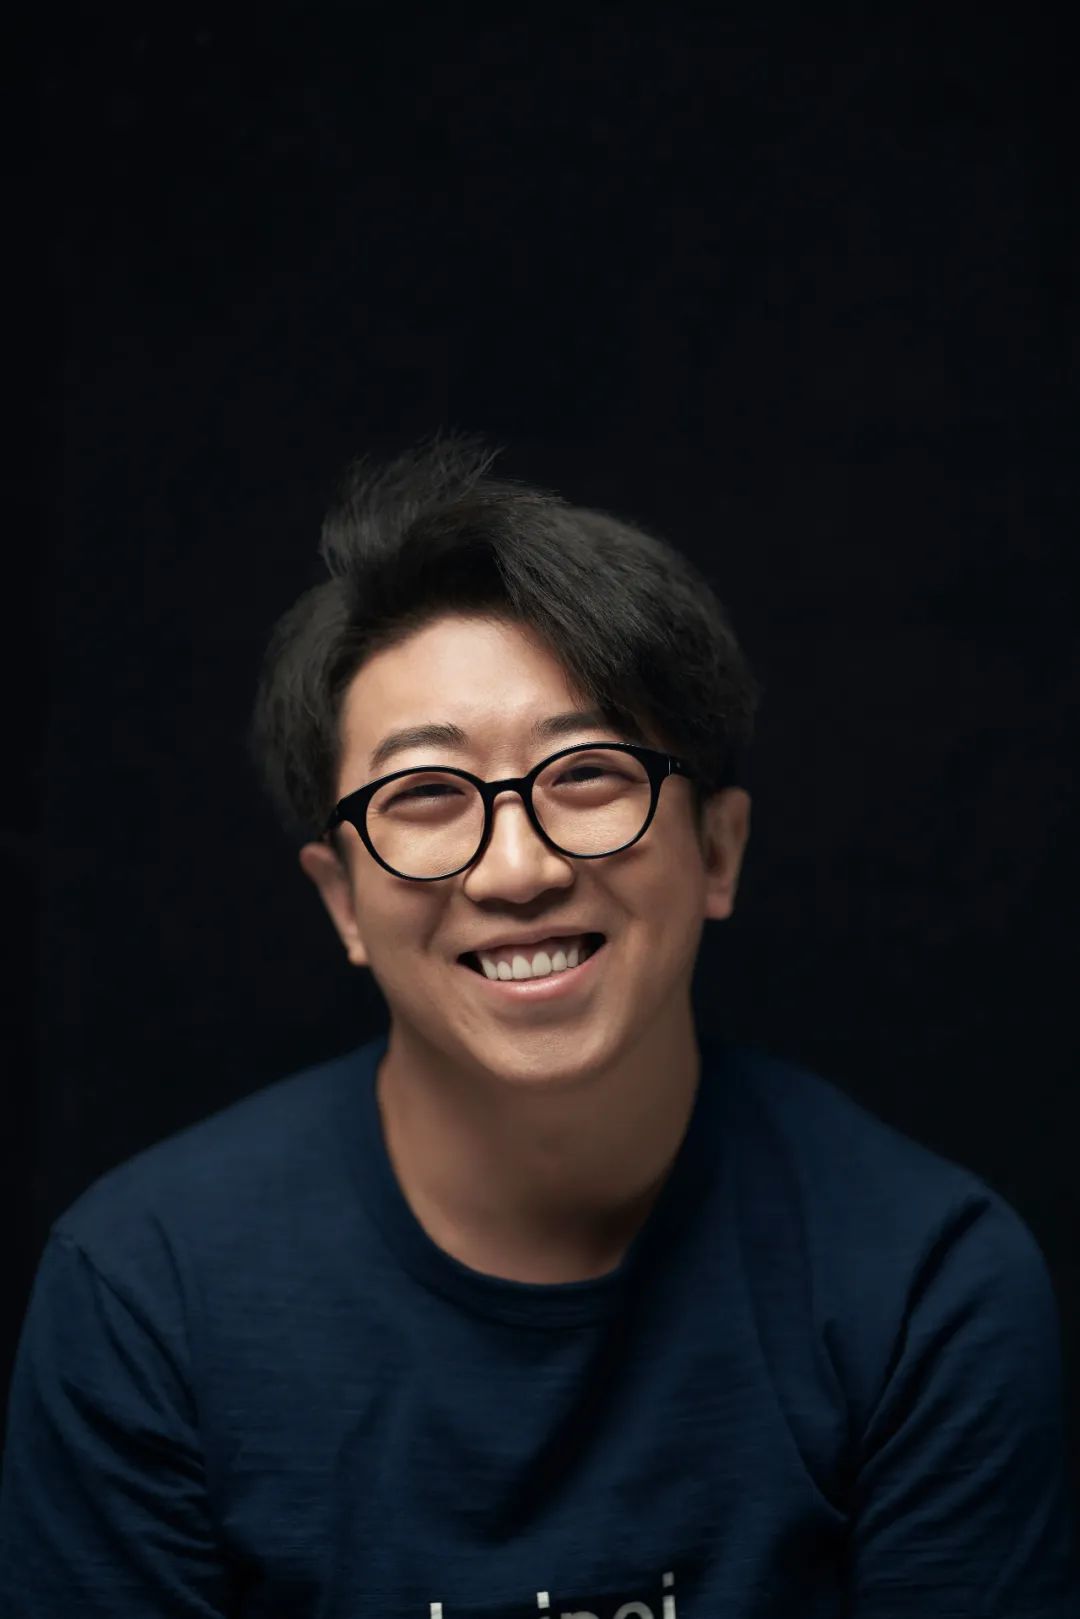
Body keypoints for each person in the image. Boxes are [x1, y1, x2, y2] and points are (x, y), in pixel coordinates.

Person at [1, 432, 1076, 1616]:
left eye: (588, 774)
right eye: (425, 794)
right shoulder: (144, 1292)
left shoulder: (926, 1284)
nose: (517, 868)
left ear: (718, 849)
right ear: (342, 899)